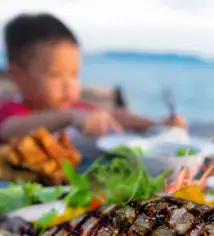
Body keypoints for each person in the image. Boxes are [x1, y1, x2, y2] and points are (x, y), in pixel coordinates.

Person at [0, 13, 187, 142]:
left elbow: (113, 117)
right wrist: (69, 117)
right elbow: (8, 129)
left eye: (74, 75)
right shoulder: (14, 110)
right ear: (18, 76)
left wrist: (157, 123)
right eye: (55, 75)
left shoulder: (76, 108)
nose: (68, 85)